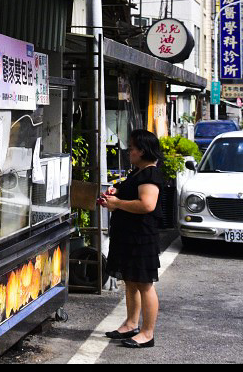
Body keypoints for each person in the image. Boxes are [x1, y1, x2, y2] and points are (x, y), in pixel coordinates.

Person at [99, 129, 164, 348]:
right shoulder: (138, 171)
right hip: (129, 236)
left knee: (144, 284)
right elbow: (131, 194)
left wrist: (116, 204)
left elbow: (147, 204)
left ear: (143, 151)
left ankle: (147, 333)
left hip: (141, 238)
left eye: (132, 147)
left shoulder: (150, 174)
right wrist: (115, 192)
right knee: (131, 281)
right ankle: (130, 324)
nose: (129, 151)